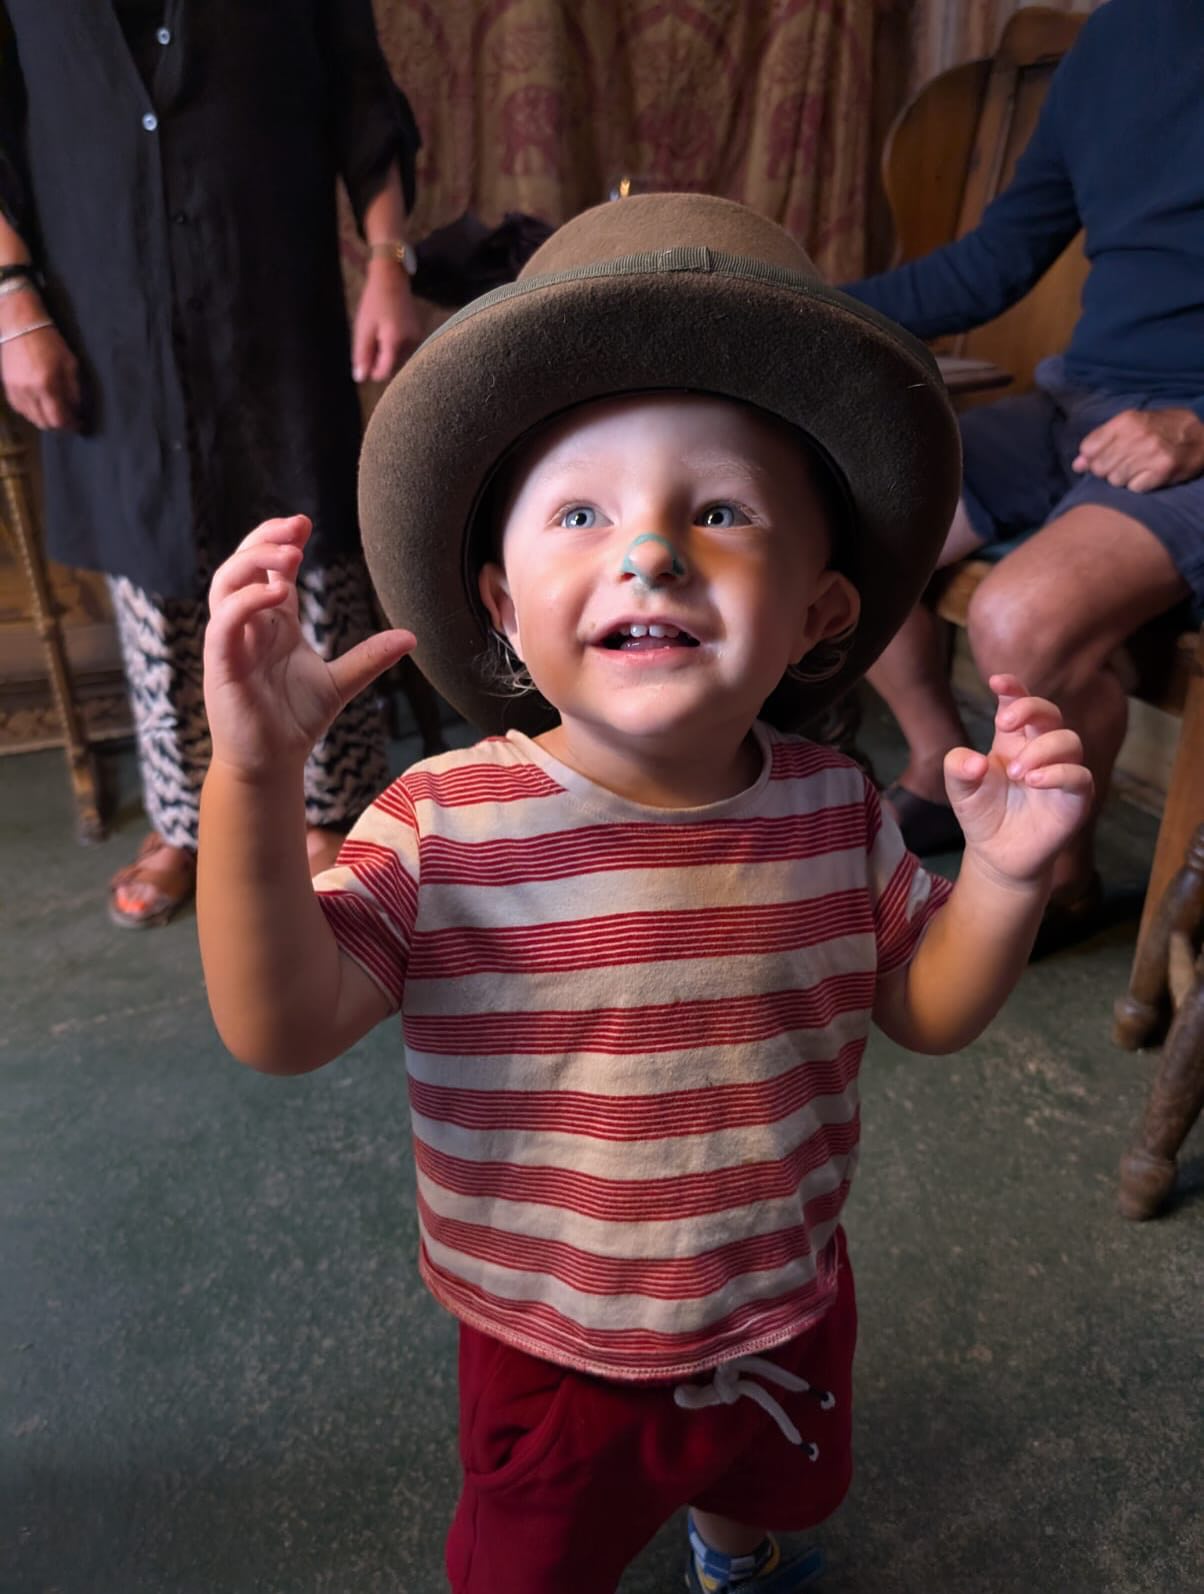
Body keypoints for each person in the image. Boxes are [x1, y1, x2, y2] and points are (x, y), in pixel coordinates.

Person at [196, 195, 1092, 1594]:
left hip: (784, 1297)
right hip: (552, 1339)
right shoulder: (445, 821)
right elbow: (279, 1022)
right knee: (535, 1562)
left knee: (766, 1482)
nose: (652, 550)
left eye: (721, 509)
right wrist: (251, 777)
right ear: (500, 603)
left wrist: (1007, 876)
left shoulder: (834, 810)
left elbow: (923, 1007)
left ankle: (732, 1550)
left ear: (818, 612)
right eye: (582, 511)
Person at [0, 0, 423, 927]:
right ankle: (183, 820)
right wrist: (10, 302)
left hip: (270, 290)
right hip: (101, 303)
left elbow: (363, 98)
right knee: (152, 563)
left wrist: (388, 262)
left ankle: (329, 807)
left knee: (305, 540)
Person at [841, 0, 1204, 951]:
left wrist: (1199, 423)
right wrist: (791, 303)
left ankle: (1060, 879)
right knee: (850, 519)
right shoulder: (1120, 39)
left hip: (1194, 428)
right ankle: (931, 761)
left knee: (1017, 619)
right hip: (1083, 400)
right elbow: (992, 264)